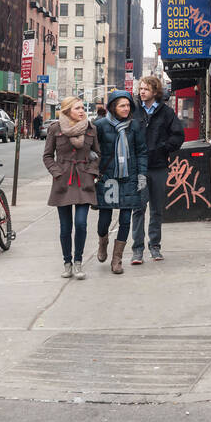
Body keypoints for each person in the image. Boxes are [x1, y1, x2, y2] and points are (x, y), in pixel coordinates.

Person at [42, 96, 100, 279]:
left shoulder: (91, 129)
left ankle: (78, 262)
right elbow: (48, 156)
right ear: (67, 111)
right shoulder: (55, 129)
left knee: (81, 223)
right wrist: (57, 173)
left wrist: (92, 172)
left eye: (82, 108)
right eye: (77, 108)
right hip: (63, 181)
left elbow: (97, 154)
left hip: (84, 181)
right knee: (65, 227)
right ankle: (67, 263)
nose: (82, 111)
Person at [130, 75, 184, 265]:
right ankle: (137, 250)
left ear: (154, 91)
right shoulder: (134, 111)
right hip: (139, 169)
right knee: (138, 208)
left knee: (156, 209)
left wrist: (163, 148)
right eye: (140, 89)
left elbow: (178, 136)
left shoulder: (166, 112)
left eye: (145, 89)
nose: (141, 92)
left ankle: (155, 247)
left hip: (159, 167)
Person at [94, 89, 148, 275]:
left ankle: (117, 259)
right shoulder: (100, 125)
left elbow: (141, 151)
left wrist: (142, 175)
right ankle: (103, 243)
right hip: (108, 178)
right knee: (104, 219)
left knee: (125, 220)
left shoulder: (135, 126)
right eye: (122, 105)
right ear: (113, 107)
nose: (126, 109)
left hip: (129, 178)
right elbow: (93, 150)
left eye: (127, 105)